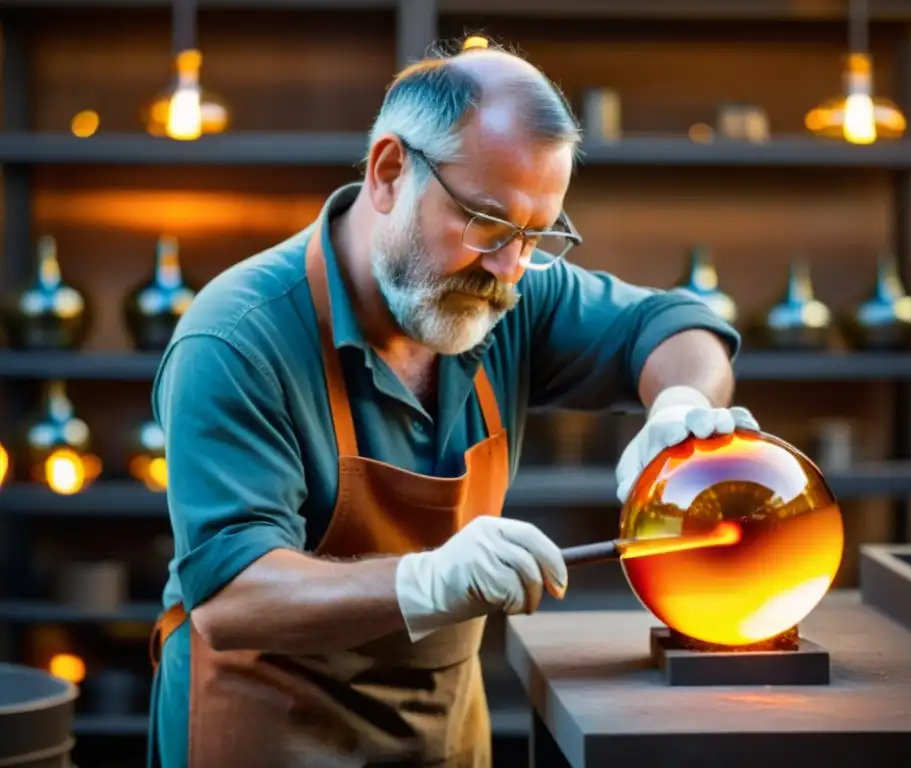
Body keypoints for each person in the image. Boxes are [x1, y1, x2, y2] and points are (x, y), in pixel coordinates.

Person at [146, 39, 758, 768]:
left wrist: (679, 404)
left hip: (441, 735)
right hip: (267, 729)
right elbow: (233, 597)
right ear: (389, 172)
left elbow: (672, 326)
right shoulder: (237, 338)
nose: (510, 268)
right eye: (488, 224)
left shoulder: (508, 293)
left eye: (538, 236)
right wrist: (427, 579)